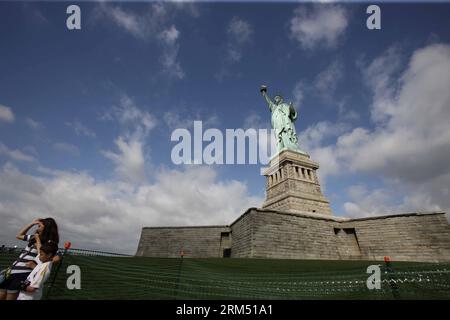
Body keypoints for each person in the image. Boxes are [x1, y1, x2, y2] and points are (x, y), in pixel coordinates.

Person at [0, 218, 59, 300]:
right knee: (2, 294)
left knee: (10, 297)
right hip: (12, 270)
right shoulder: (33, 237)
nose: (37, 228)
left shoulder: (49, 242)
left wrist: (37, 266)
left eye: (39, 226)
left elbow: (56, 258)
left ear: (46, 227)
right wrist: (31, 224)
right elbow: (18, 236)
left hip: (22, 273)